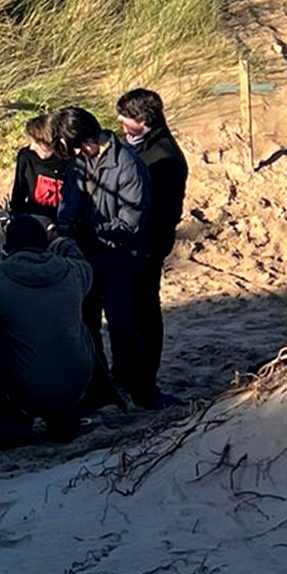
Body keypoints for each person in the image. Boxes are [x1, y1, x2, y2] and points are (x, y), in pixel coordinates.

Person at [52, 106, 155, 406]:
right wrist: (65, 230)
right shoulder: (77, 164)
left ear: (88, 138)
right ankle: (98, 389)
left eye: (74, 147)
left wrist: (91, 231)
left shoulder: (129, 166)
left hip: (117, 262)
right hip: (83, 262)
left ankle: (143, 390)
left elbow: (131, 222)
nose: (74, 154)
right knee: (87, 327)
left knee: (122, 328)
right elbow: (67, 205)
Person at [0, 217, 95, 448]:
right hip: (75, 386)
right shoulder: (73, 271)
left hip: (24, 388)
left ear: (8, 247)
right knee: (80, 330)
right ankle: (63, 415)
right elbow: (83, 262)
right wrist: (59, 239)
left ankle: (13, 424)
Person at [118, 88, 187, 407]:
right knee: (131, 310)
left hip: (148, 246)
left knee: (145, 311)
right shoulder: (143, 146)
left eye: (125, 120)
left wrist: (148, 246)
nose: (121, 127)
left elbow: (164, 213)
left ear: (142, 121)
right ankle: (130, 370)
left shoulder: (165, 157)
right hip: (134, 244)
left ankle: (147, 373)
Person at [8, 113, 67, 235]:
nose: (32, 147)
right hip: (34, 223)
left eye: (36, 143)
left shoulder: (70, 161)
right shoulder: (26, 157)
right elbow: (18, 196)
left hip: (63, 227)